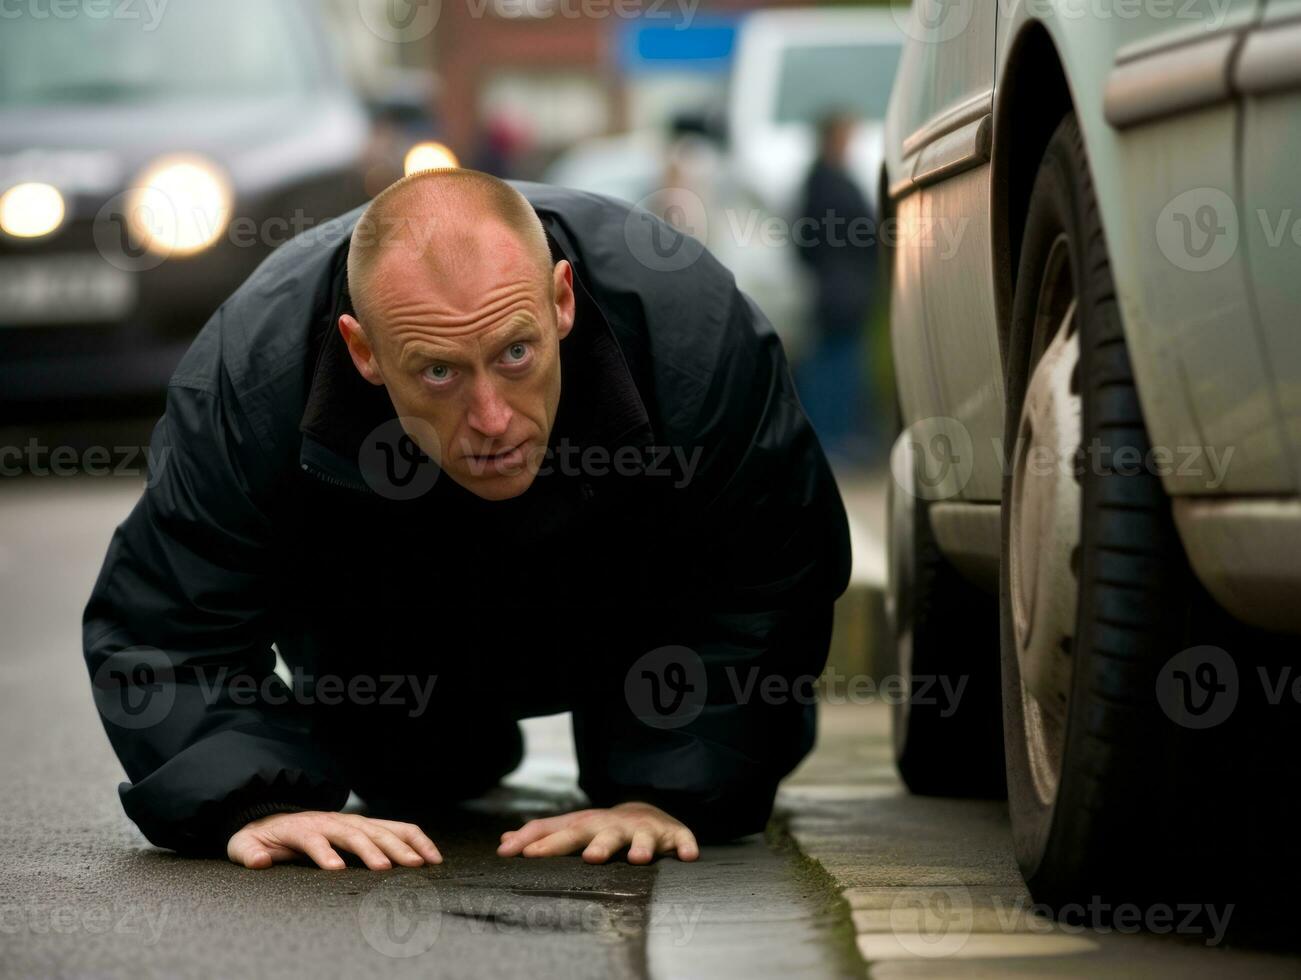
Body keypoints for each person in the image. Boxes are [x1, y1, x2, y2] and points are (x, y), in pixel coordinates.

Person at [83, 170, 851, 871]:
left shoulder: (689, 334)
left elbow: (770, 574)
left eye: (515, 353)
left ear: (562, 299)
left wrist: (679, 789)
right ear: (362, 349)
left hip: (631, 624)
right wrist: (248, 798)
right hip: (386, 640)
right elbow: (166, 623)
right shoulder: (253, 376)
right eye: (439, 371)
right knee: (416, 775)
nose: (490, 418)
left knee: (677, 764)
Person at [794, 112, 878, 461]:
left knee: (838, 362)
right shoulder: (829, 182)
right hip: (841, 287)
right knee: (835, 365)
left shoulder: (821, 180)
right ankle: (830, 440)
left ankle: (834, 438)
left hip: (839, 285)